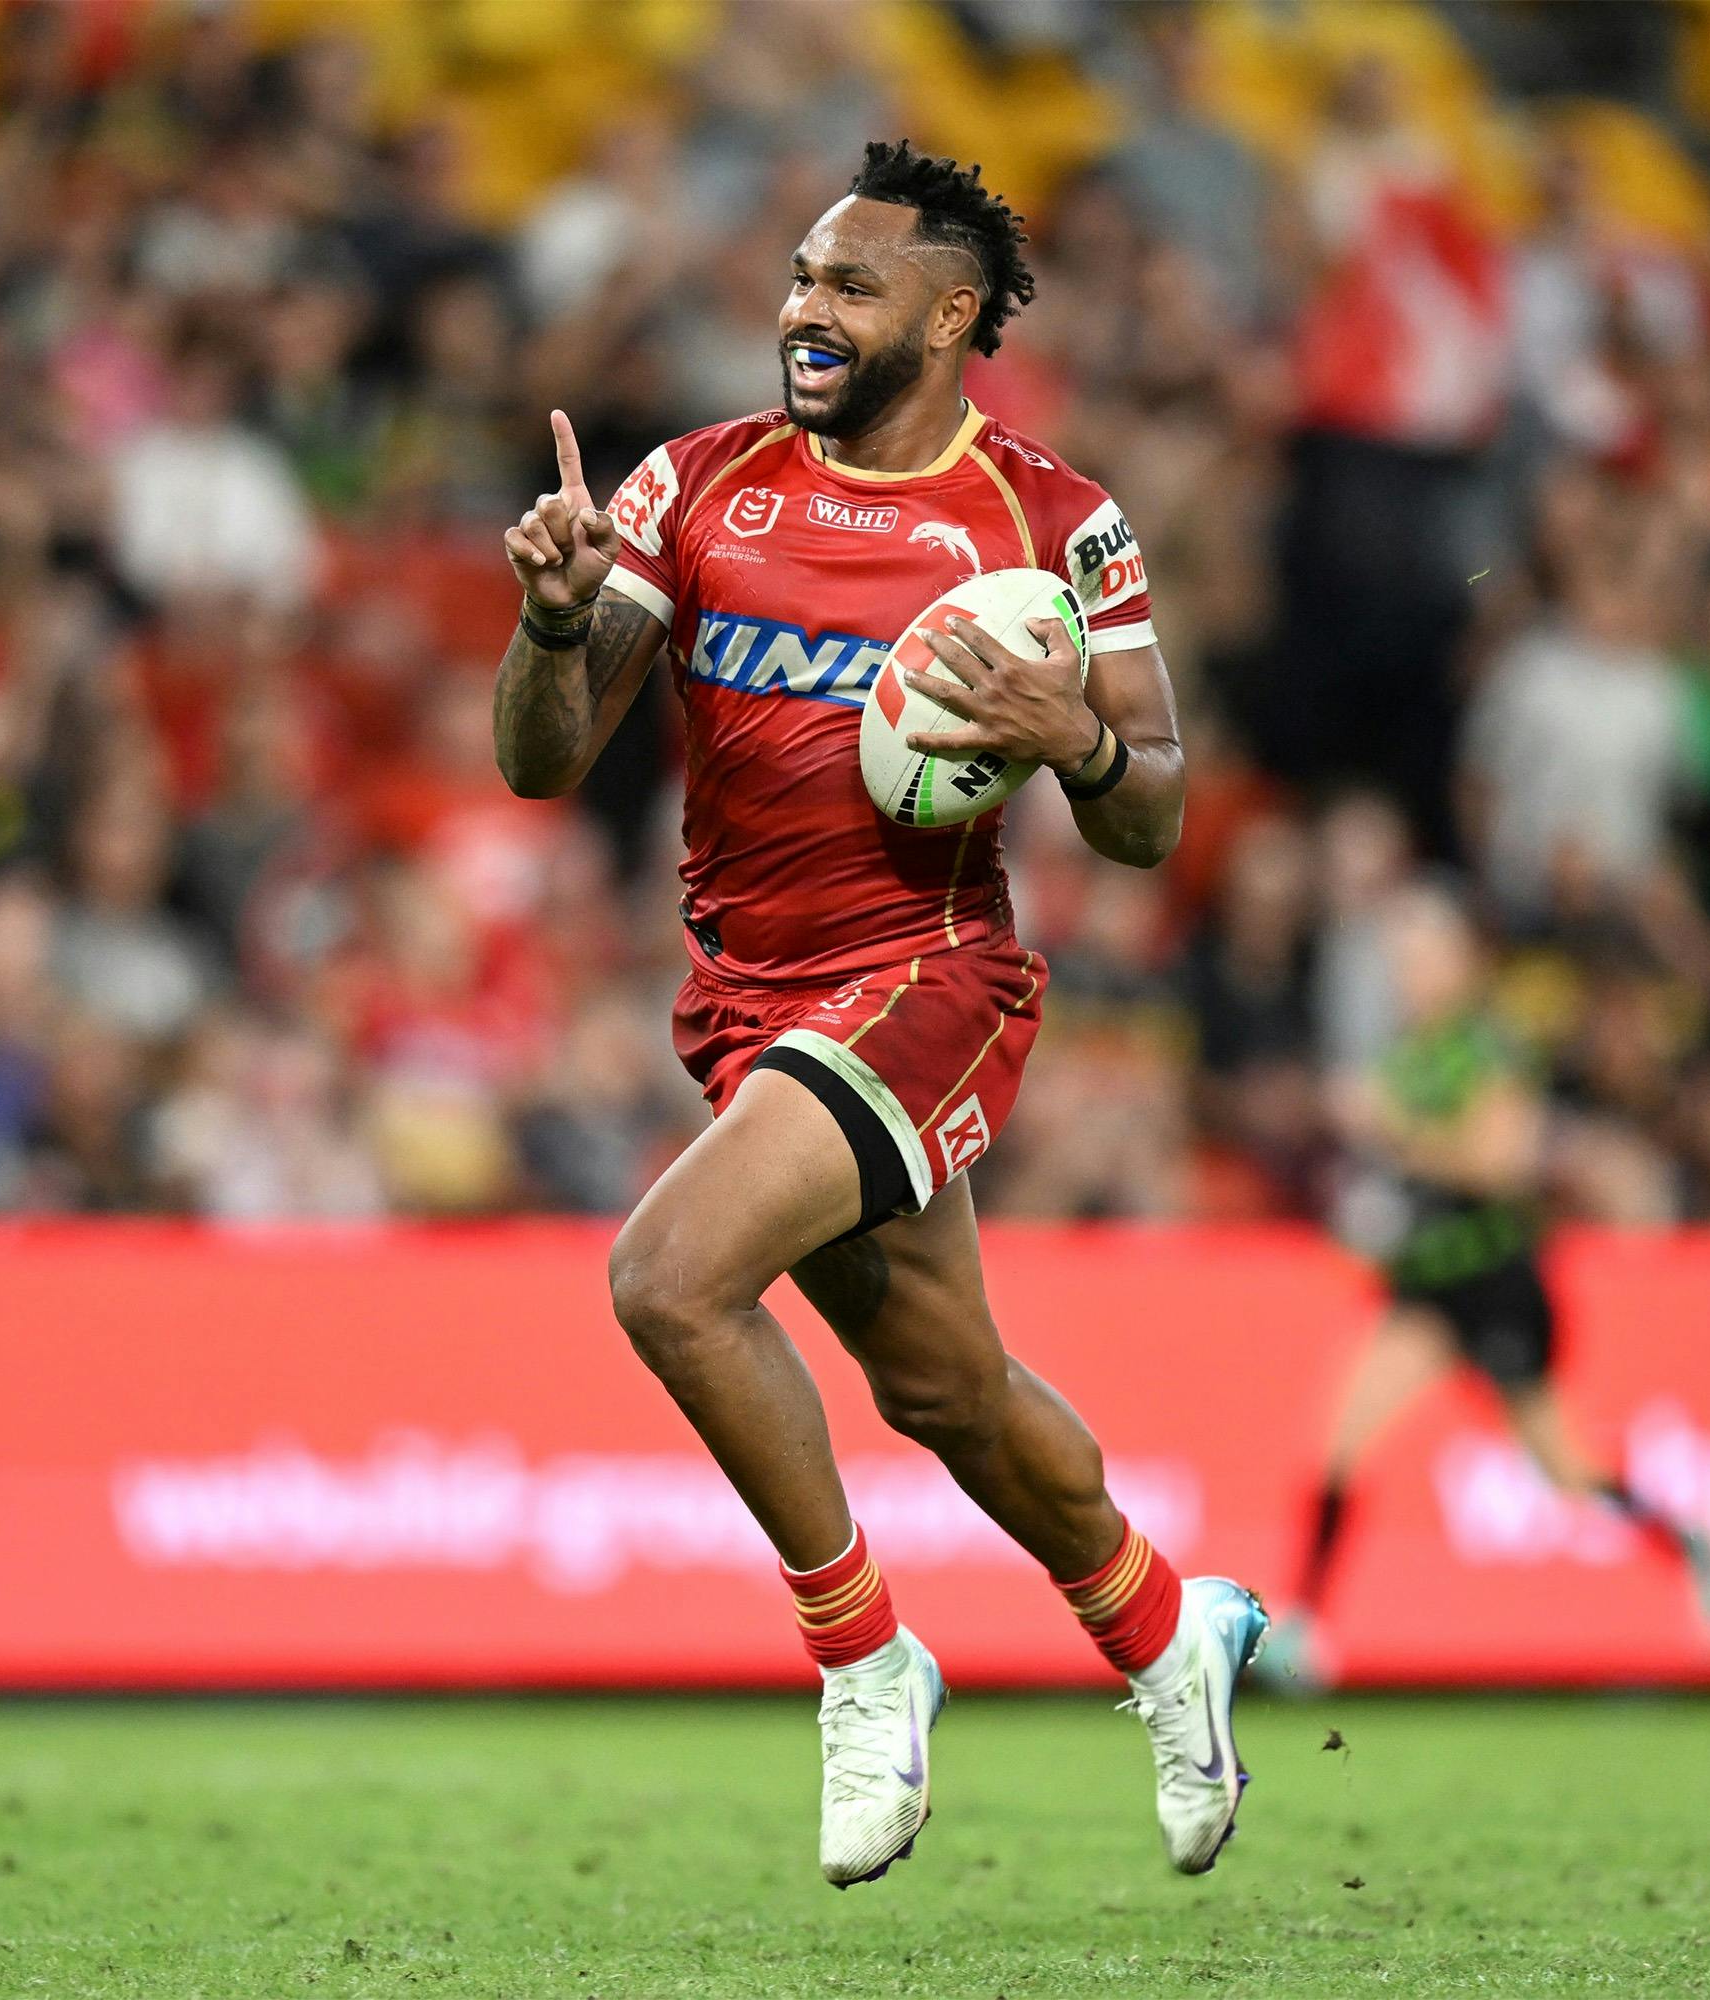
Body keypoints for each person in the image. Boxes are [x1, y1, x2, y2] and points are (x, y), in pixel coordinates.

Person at [490, 140, 1266, 1887]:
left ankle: (861, 1655)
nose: (802, 313)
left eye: (846, 288)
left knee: (670, 1282)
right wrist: (550, 629)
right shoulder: (692, 486)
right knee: (947, 1394)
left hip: (931, 980)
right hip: (744, 992)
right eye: (797, 281)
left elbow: (1150, 818)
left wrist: (1068, 736)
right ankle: (1168, 1633)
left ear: (952, 311)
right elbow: (542, 766)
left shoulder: (1059, 525)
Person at [1270, 884, 1710, 1687]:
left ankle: (1684, 1543)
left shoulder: (1486, 1046)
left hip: (1496, 1281)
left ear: (1457, 963)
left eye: (1420, 961)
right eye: (1400, 964)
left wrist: (1391, 1132)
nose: (1408, 978)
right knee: (1340, 1438)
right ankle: (1304, 1628)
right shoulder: (1406, 1057)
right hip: (1428, 1287)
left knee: (1565, 1471)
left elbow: (1499, 1162)